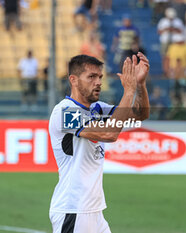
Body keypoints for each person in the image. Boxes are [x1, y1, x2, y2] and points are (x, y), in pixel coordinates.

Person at [48, 53, 150, 233]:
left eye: (100, 77)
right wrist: (128, 91)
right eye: (91, 77)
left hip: (94, 211)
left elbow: (140, 114)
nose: (98, 82)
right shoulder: (64, 111)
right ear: (74, 80)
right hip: (73, 210)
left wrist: (140, 84)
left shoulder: (98, 108)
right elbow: (109, 133)